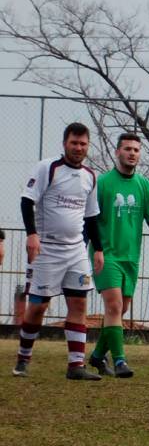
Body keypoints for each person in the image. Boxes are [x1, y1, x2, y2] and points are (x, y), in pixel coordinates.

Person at [14, 122, 105, 380]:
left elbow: (91, 216)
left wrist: (98, 249)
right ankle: (23, 358)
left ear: (88, 146)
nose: (78, 148)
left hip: (76, 250)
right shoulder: (48, 168)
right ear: (65, 144)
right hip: (47, 249)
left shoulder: (90, 176)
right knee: (38, 307)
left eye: (83, 144)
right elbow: (27, 201)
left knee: (79, 303)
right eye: (74, 143)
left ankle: (76, 366)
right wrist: (32, 234)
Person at [87, 132, 149, 378]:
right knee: (114, 305)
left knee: (121, 308)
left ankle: (97, 356)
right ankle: (120, 361)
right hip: (106, 255)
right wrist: (92, 249)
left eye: (136, 149)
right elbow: (89, 219)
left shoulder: (144, 186)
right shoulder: (103, 183)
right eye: (127, 149)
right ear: (118, 152)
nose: (132, 153)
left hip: (130, 258)